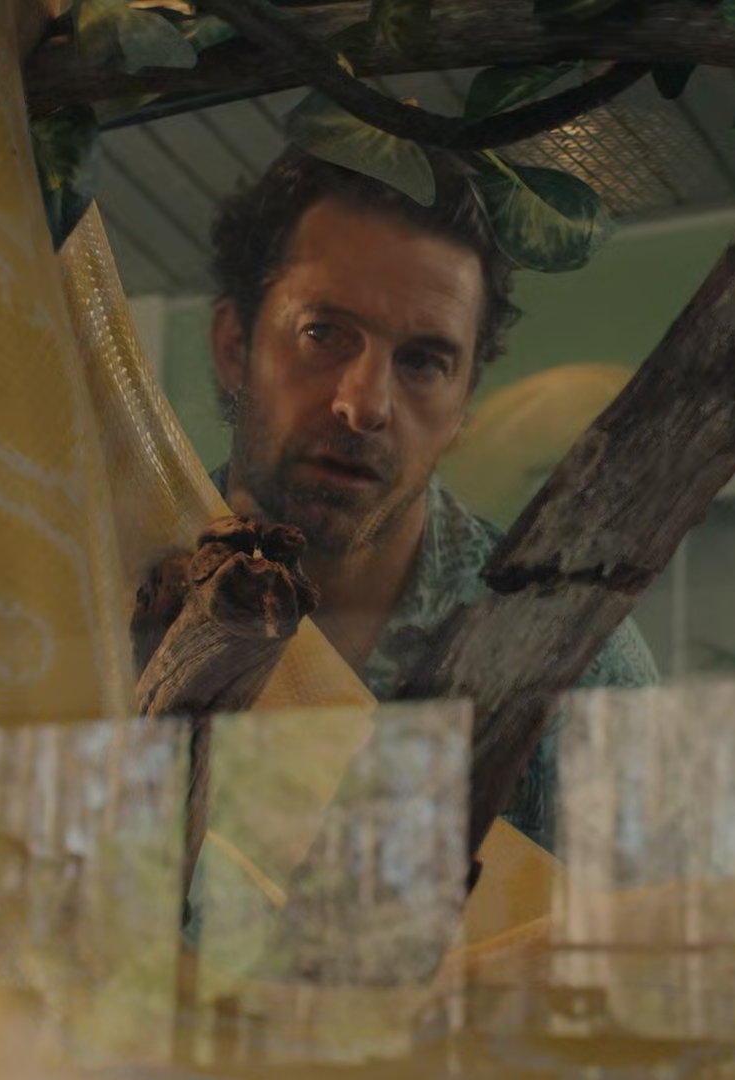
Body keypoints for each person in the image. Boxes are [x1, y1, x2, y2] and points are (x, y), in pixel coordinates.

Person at [203, 145, 659, 847]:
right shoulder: (117, 566)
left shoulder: (576, 659)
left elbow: (652, 911)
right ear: (235, 347)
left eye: (422, 361)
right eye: (323, 333)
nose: (364, 405)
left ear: (463, 406)